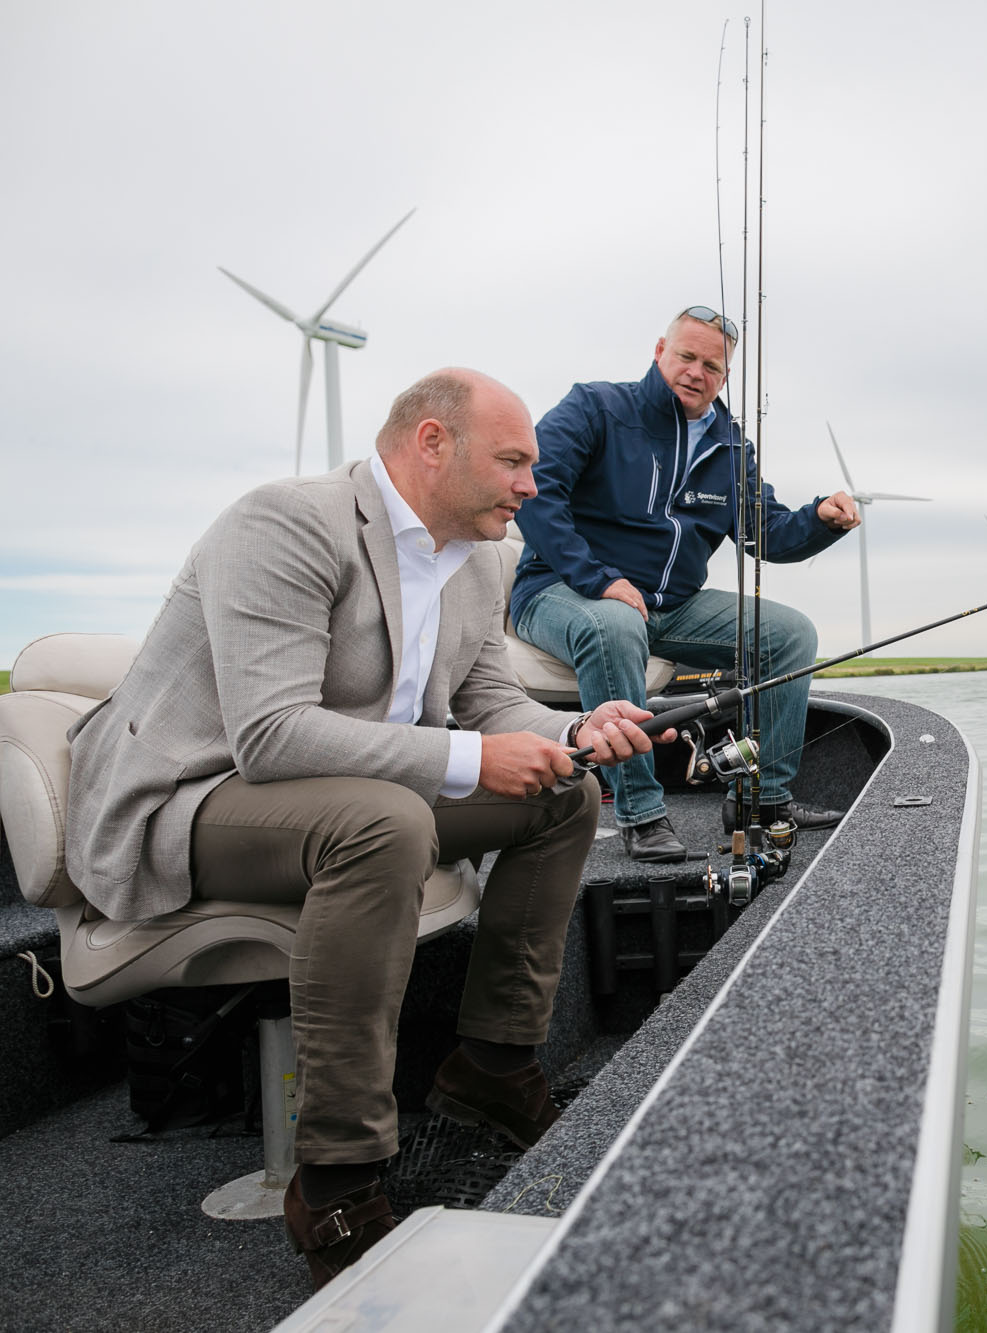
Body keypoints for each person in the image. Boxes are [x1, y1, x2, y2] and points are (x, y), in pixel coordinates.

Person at [64, 369, 660, 1289]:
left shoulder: (473, 557)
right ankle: (337, 1176)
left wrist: (576, 732)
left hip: (341, 789)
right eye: (512, 461)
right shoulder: (283, 523)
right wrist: (472, 760)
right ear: (432, 443)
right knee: (383, 825)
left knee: (564, 795)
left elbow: (489, 699)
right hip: (190, 794)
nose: (532, 487)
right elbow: (269, 736)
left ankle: (493, 1065)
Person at [511, 306, 860, 861]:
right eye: (687, 356)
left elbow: (764, 535)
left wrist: (821, 519)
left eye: (713, 366)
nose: (697, 372)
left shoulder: (731, 446)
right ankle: (641, 813)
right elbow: (535, 490)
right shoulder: (595, 406)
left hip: (670, 604)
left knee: (791, 634)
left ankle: (762, 801)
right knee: (615, 623)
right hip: (560, 589)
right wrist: (598, 578)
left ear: (725, 377)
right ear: (659, 351)